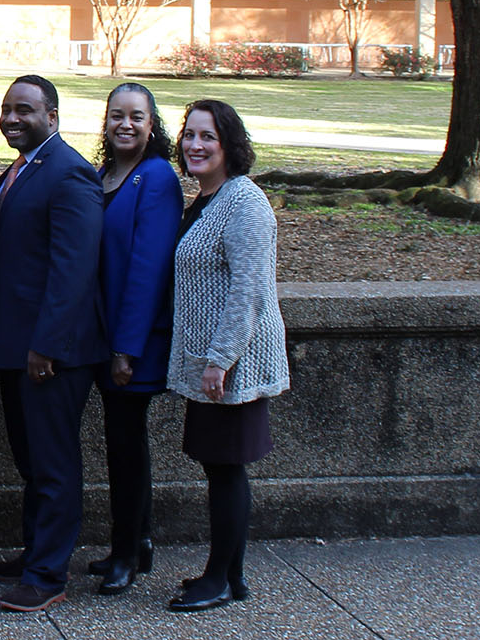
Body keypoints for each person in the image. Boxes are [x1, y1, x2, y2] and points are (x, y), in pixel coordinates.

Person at [0, 75, 104, 613]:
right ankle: (35, 552)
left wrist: (46, 347)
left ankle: (48, 574)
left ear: (51, 117)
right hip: (17, 347)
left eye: (25, 110)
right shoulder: (20, 168)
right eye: (8, 108)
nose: (13, 118)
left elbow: (73, 270)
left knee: (54, 464)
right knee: (32, 463)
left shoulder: (70, 172)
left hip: (53, 353)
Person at [166, 99, 289, 613]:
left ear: (229, 145)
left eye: (207, 137)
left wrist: (220, 359)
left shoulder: (245, 202)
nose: (195, 145)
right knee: (218, 465)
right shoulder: (206, 200)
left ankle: (221, 578)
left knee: (227, 468)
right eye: (189, 135)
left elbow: (250, 290)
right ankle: (228, 575)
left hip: (233, 365)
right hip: (210, 362)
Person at [87, 82, 183, 595]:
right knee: (122, 443)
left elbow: (149, 268)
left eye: (137, 117)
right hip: (101, 336)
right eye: (117, 115)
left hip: (133, 342)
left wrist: (127, 348)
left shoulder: (157, 178)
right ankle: (136, 540)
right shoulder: (104, 174)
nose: (126, 124)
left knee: (126, 446)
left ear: (152, 125)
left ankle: (126, 552)